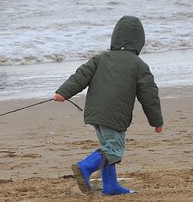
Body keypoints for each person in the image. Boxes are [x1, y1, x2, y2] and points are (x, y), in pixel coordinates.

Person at [53, 15, 163, 195]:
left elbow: (80, 76)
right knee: (114, 150)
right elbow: (150, 96)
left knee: (108, 147)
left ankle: (111, 186)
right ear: (139, 42)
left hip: (95, 113)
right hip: (114, 116)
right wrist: (156, 121)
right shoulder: (139, 65)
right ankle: (85, 167)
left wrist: (63, 92)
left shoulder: (100, 58)